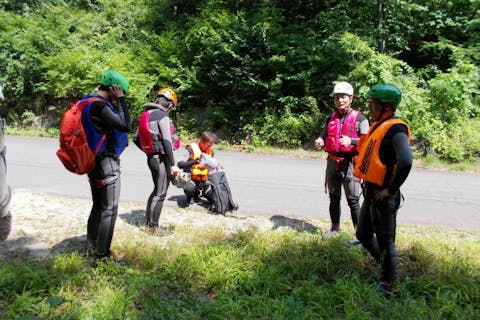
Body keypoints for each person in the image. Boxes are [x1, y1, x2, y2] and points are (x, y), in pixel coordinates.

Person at [354, 83, 413, 293]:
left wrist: (391, 189)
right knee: (362, 234)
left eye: (373, 103)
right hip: (371, 192)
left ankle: (387, 284)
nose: (370, 107)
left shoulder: (396, 128)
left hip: (384, 194)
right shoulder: (379, 124)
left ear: (386, 106)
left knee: (387, 241)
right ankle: (387, 267)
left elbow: (406, 161)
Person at [84, 70, 131, 261]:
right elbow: (125, 125)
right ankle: (102, 256)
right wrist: (121, 101)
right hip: (105, 163)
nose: (121, 95)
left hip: (91, 161)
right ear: (114, 87)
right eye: (120, 91)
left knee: (98, 205)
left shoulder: (85, 102)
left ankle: (91, 244)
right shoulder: (99, 106)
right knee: (109, 209)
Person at [314, 81, 369, 239]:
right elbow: (325, 134)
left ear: (351, 98)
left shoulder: (360, 118)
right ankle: (334, 228)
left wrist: (351, 141)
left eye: (343, 97)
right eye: (337, 97)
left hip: (350, 163)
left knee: (353, 201)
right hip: (332, 163)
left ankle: (360, 235)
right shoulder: (331, 117)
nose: (340, 100)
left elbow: (368, 141)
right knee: (334, 198)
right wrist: (320, 140)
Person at [133, 88, 180, 235]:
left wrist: (149, 151)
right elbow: (166, 140)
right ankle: (153, 228)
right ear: (170, 105)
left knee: (156, 190)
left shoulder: (146, 114)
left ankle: (149, 224)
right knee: (160, 192)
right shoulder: (163, 116)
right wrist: (173, 165)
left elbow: (135, 139)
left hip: (151, 158)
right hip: (160, 159)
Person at [176, 131, 219, 206]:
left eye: (211, 146)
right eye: (207, 145)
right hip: (189, 176)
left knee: (215, 197)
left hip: (203, 179)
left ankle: (204, 193)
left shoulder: (210, 151)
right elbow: (179, 164)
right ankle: (190, 195)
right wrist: (193, 162)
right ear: (201, 141)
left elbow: (213, 167)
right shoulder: (191, 148)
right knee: (187, 186)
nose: (209, 147)